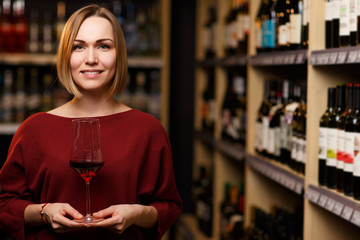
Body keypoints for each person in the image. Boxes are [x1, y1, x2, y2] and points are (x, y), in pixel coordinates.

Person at [0, 4, 182, 240]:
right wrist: (44, 212)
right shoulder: (34, 129)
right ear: (66, 55)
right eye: (79, 47)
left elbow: (168, 206)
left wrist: (136, 214)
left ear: (119, 55)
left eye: (104, 46)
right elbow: (4, 203)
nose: (91, 59)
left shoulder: (148, 129)